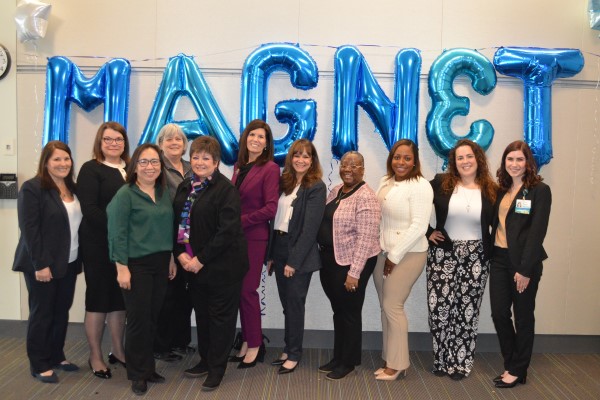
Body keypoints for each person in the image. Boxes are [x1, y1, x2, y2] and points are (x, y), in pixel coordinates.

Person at [173, 136, 249, 392]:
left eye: (206, 158)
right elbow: (178, 225)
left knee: (220, 321)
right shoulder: (186, 187)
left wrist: (200, 259)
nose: (200, 162)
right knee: (203, 317)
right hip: (193, 267)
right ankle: (205, 360)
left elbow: (227, 232)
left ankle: (217, 369)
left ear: (216, 162)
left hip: (222, 268)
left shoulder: (226, 190)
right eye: (195, 156)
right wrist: (180, 254)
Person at [426, 139, 497, 380]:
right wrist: (427, 232)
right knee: (440, 309)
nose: (465, 161)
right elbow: (413, 203)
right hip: (443, 253)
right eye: (460, 158)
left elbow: (500, 224)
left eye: (469, 156)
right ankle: (441, 359)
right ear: (453, 162)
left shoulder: (491, 190)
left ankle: (461, 362)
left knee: (466, 311)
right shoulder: (439, 183)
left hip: (476, 255)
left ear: (478, 159)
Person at [107, 143, 175, 395]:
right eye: (144, 162)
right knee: (137, 320)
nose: (150, 167)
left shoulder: (163, 192)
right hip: (136, 265)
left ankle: (148, 367)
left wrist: (170, 258)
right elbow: (116, 233)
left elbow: (167, 229)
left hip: (160, 263)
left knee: (152, 318)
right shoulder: (125, 194)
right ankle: (137, 374)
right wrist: (121, 267)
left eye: (155, 162)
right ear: (134, 166)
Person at [13, 141, 82, 383]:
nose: (63, 164)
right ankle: (39, 362)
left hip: (69, 261)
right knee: (42, 313)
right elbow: (29, 229)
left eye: (66, 159)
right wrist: (40, 264)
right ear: (46, 162)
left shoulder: (72, 188)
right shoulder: (33, 188)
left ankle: (56, 355)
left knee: (60, 311)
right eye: (57, 159)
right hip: (42, 264)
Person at [490, 140, 551, 389]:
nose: (514, 164)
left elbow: (537, 232)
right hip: (499, 260)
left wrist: (525, 270)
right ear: (504, 162)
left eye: (520, 159)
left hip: (525, 262)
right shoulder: (500, 190)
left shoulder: (539, 190)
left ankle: (517, 368)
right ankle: (513, 363)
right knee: (499, 313)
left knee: (523, 316)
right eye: (510, 159)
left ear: (528, 163)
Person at [316, 151, 381, 380]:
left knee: (350, 312)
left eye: (354, 165)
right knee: (339, 311)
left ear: (363, 169)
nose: (348, 169)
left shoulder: (367, 197)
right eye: (345, 164)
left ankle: (348, 362)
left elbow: (366, 238)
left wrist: (354, 273)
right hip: (330, 261)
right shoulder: (336, 191)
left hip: (352, 263)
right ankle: (339, 356)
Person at [373, 139, 433, 381]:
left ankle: (398, 365)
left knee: (392, 306)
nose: (401, 162)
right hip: (383, 253)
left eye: (407, 158)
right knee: (384, 306)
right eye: (397, 157)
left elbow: (419, 226)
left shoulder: (420, 186)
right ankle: (389, 357)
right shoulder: (385, 181)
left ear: (415, 161)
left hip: (409, 254)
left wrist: (395, 256)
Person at [78, 122, 130, 379]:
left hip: (124, 246)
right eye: (107, 139)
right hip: (98, 244)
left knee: (119, 299)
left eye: (118, 139)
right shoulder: (91, 169)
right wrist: (119, 230)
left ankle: (118, 350)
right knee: (98, 299)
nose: (113, 144)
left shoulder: (131, 168)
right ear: (100, 142)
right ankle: (95, 355)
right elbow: (90, 210)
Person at [269, 139, 326, 375]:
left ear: (312, 161)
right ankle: (288, 347)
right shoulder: (286, 182)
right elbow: (275, 221)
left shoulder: (316, 186)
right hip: (280, 247)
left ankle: (294, 354)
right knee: (286, 305)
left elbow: (310, 229)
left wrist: (293, 261)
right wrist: (272, 254)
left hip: (299, 254)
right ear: (290, 158)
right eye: (297, 155)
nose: (301, 160)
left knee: (294, 305)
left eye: (306, 156)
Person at [229, 120, 279, 368]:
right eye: (253, 135)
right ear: (245, 138)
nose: (256, 140)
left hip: (255, 237)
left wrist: (241, 221)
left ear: (267, 143)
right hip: (236, 239)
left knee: (247, 291)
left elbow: (271, 208)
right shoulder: (239, 166)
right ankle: (248, 340)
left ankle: (256, 345)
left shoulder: (270, 168)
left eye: (262, 137)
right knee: (239, 291)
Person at [154, 123, 192, 362]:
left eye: (179, 139)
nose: (175, 142)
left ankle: (180, 342)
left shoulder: (191, 167)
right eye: (169, 139)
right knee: (165, 297)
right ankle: (161, 345)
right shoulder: (156, 168)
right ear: (161, 144)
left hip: (188, 239)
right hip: (166, 239)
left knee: (184, 296)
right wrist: (169, 251)